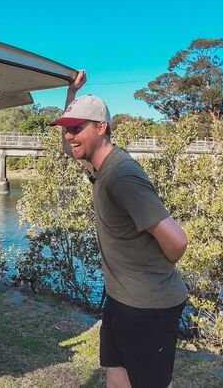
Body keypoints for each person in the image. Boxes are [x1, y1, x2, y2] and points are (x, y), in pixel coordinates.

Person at [50, 70, 188, 388]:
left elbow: (177, 242)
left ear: (101, 127)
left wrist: (150, 274)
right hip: (120, 298)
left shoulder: (122, 175)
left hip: (148, 305)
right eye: (67, 129)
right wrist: (71, 95)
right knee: (115, 371)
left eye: (77, 128)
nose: (70, 136)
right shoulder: (98, 164)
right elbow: (69, 148)